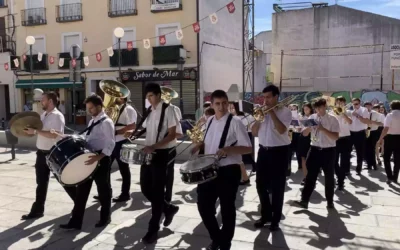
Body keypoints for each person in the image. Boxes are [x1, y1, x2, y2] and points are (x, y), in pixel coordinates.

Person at [191, 90, 252, 250]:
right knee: (203, 206)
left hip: (229, 171)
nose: (221, 106)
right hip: (209, 170)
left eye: (224, 103)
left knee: (227, 209)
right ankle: (217, 238)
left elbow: (248, 148)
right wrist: (199, 145)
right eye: (217, 103)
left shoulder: (236, 122)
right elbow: (208, 141)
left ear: (228, 104)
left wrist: (229, 150)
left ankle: (225, 243)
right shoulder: (209, 120)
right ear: (211, 105)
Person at [60, 94, 115, 230]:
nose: (89, 111)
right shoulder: (93, 121)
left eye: (91, 108)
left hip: (101, 159)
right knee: (81, 192)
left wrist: (99, 157)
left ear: (98, 106)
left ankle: (105, 217)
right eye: (88, 108)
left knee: (103, 190)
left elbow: (111, 142)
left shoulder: (106, 122)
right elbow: (88, 138)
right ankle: (76, 222)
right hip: (90, 158)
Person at [140, 83, 181, 244]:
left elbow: (173, 135)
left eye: (150, 96)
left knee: (157, 192)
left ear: (158, 95)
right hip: (150, 152)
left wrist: (154, 147)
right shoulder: (151, 111)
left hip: (162, 153)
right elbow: (147, 129)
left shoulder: (168, 109)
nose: (148, 99)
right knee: (145, 187)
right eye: (147, 96)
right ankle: (168, 207)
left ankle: (153, 229)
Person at [251, 85, 292, 231]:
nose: (265, 100)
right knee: (260, 185)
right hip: (263, 151)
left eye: (268, 97)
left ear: (276, 97)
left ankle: (275, 219)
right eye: (264, 97)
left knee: (277, 187)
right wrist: (259, 118)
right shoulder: (261, 113)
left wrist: (272, 112)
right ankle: (265, 215)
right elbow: (254, 133)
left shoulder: (286, 112)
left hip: (279, 152)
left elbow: (282, 130)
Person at [21, 92, 65, 220]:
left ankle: (79, 204)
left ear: (50, 101)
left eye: (43, 100)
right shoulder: (44, 115)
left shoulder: (57, 116)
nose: (41, 102)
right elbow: (40, 131)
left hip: (53, 154)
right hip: (41, 153)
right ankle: (37, 210)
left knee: (65, 181)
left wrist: (35, 131)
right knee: (41, 183)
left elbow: (54, 135)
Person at [294, 98, 340, 209]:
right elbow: (304, 134)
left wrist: (323, 129)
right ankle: (304, 200)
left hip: (328, 151)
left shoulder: (332, 119)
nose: (318, 110)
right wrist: (309, 128)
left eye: (320, 108)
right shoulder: (312, 117)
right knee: (310, 176)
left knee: (329, 177)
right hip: (314, 149)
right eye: (316, 108)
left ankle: (330, 201)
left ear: (325, 106)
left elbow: (336, 137)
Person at [111, 97, 137, 202]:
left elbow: (132, 125)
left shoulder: (129, 109)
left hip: (121, 141)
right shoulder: (113, 108)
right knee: (105, 168)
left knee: (123, 168)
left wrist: (118, 132)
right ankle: (106, 192)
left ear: (123, 97)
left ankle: (125, 193)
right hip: (111, 141)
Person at [331, 96, 352, 190]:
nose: (340, 104)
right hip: (335, 139)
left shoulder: (348, 112)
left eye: (342, 102)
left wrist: (343, 114)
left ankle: (341, 181)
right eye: (338, 102)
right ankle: (339, 177)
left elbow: (350, 122)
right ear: (335, 103)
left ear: (344, 103)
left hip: (345, 139)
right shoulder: (331, 113)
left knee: (344, 161)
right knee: (334, 161)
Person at [377, 100, 400, 184]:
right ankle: (395, 177)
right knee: (398, 159)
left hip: (390, 138)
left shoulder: (390, 115)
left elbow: (385, 129)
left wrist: (380, 139)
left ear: (391, 107)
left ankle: (389, 177)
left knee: (386, 158)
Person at [229, 101, 251, 185]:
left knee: (239, 160)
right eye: (230, 108)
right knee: (240, 160)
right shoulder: (237, 117)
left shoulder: (239, 118)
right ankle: (245, 177)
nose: (231, 110)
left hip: (238, 140)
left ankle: (244, 178)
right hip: (237, 139)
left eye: (233, 108)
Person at [165, 102, 183, 207]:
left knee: (168, 174)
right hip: (156, 149)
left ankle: (167, 198)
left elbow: (179, 133)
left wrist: (164, 137)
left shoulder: (172, 110)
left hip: (169, 148)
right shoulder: (152, 111)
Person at [349, 98, 370, 175]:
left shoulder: (364, 110)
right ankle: (347, 169)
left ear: (360, 103)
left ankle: (359, 168)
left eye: (356, 104)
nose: (355, 106)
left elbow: (365, 121)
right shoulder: (350, 110)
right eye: (353, 104)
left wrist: (357, 115)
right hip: (350, 133)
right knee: (348, 151)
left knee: (359, 152)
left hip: (360, 133)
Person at [364, 102, 384, 170]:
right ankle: (369, 164)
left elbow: (381, 124)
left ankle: (374, 164)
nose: (367, 108)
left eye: (369, 106)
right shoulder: (363, 113)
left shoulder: (376, 114)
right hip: (365, 131)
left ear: (371, 106)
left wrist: (371, 122)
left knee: (372, 148)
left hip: (373, 132)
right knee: (366, 149)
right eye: (366, 106)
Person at [297, 102, 314, 185]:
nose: (305, 110)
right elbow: (299, 129)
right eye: (304, 109)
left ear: (310, 109)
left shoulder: (314, 117)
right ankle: (305, 177)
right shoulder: (302, 117)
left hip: (312, 138)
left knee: (311, 159)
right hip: (303, 139)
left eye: (307, 108)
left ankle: (311, 176)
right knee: (303, 158)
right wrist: (298, 126)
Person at [288, 104, 302, 174]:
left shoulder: (299, 115)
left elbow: (301, 125)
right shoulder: (288, 115)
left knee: (298, 150)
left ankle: (300, 165)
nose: (293, 110)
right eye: (292, 109)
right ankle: (288, 167)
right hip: (290, 132)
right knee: (289, 151)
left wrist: (298, 122)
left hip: (297, 133)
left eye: (295, 109)